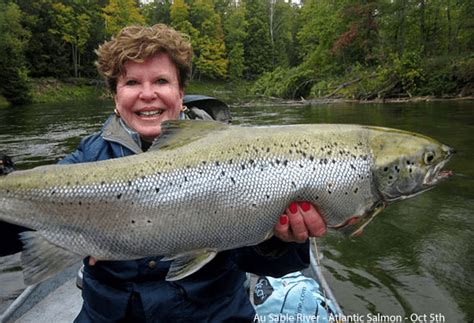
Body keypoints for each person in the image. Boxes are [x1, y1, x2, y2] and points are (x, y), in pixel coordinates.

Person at [60, 24, 327, 322]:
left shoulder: (238, 155)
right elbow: (13, 233)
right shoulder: (87, 159)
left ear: (181, 92)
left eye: (161, 80)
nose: (147, 94)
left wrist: (279, 241)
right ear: (115, 96)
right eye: (132, 82)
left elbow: (268, 264)